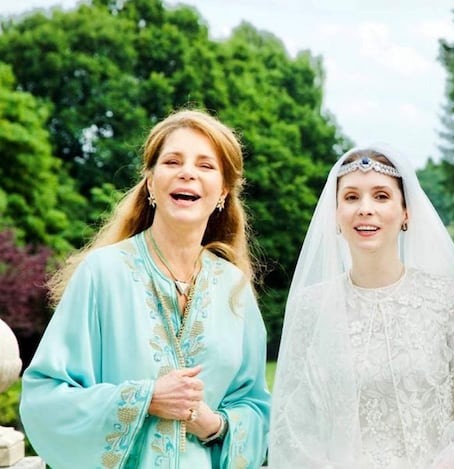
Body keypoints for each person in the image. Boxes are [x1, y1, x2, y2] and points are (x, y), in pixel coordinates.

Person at [20, 109, 271, 468]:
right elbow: (44, 399)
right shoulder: (101, 274)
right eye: (172, 161)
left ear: (223, 191)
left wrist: (214, 424)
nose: (188, 172)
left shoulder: (235, 290)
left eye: (205, 165)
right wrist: (145, 398)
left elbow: (258, 409)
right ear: (151, 183)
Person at [268, 144, 454, 468]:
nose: (366, 208)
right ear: (336, 214)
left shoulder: (450, 302)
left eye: (381, 196)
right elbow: (292, 426)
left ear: (406, 212)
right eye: (351, 197)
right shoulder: (311, 308)